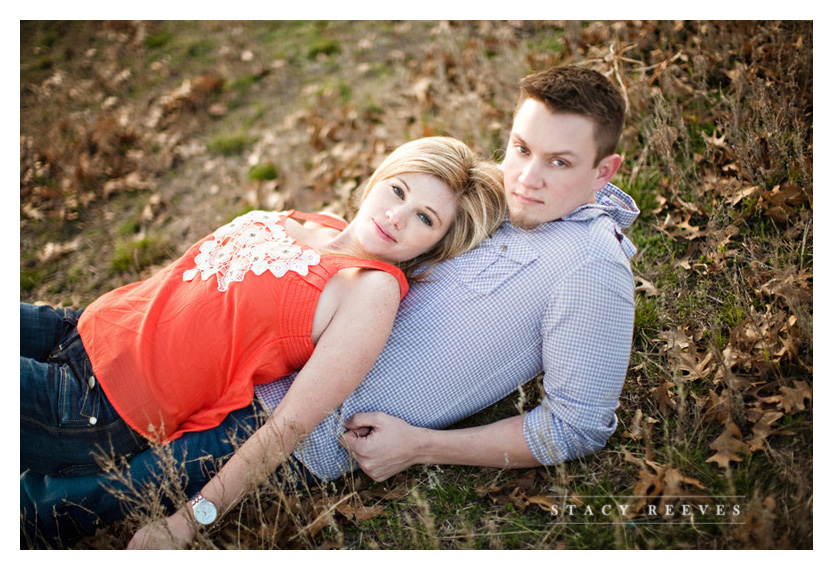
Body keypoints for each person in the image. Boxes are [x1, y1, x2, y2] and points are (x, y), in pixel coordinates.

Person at [21, 65, 640, 548]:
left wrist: (422, 446)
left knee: (51, 502)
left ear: (604, 171)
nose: (526, 177)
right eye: (520, 148)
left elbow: (577, 424)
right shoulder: (501, 202)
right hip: (229, 374)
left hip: (287, 428)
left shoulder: (590, 264)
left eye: (560, 162)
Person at [19, 136, 506, 549]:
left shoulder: (370, 291)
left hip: (96, 406)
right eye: (397, 190)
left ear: (434, 245)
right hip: (77, 327)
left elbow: (289, 425)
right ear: (379, 177)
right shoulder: (323, 223)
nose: (397, 216)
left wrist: (186, 523)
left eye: (425, 219)